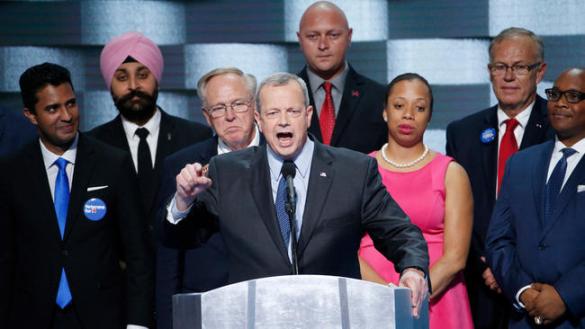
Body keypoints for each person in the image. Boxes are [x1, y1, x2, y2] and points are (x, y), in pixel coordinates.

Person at [160, 72, 429, 317]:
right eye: (274, 113)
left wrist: (413, 269)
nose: (284, 121)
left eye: (293, 111)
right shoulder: (227, 172)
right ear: (259, 119)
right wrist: (183, 201)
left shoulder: (354, 171)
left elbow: (400, 232)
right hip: (254, 319)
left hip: (333, 317)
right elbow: (182, 238)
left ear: (308, 115)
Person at [0, 63, 152, 329]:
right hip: (31, 318)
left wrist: (138, 323)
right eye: (52, 108)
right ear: (30, 115)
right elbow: (5, 258)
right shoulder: (11, 172)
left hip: (103, 317)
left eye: (70, 104)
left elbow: (138, 252)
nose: (67, 115)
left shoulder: (112, 163)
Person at [446, 27, 554, 329]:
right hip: (479, 284)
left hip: (541, 287)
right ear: (489, 71)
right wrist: (490, 262)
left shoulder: (560, 130)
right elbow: (460, 212)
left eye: (519, 67)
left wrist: (510, 269)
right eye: (499, 67)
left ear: (539, 71)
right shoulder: (462, 133)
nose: (508, 76)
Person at [359, 73, 474, 328]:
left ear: (429, 115)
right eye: (399, 105)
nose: (408, 114)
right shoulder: (359, 169)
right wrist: (386, 299)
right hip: (371, 298)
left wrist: (413, 299)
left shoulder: (451, 172)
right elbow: (346, 247)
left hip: (437, 300)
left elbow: (456, 256)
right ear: (385, 112)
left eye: (419, 107)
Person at [155, 67, 261, 329]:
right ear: (206, 116)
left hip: (271, 302)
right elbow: (168, 255)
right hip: (209, 308)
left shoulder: (283, 154)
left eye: (238, 104)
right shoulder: (181, 165)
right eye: (218, 108)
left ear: (254, 106)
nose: (230, 116)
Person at [486, 68, 585, 328]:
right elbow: (498, 240)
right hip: (525, 318)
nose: (560, 103)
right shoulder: (520, 163)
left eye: (573, 96)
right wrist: (523, 290)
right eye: (555, 94)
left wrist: (565, 295)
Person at [88, 31, 211, 241]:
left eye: (143, 75)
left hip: (180, 262)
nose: (133, 86)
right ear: (110, 84)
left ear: (157, 78)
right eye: (122, 77)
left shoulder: (195, 136)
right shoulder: (92, 145)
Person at [296, 1, 387, 154]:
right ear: (300, 40)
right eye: (312, 36)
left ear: (349, 36)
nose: (323, 45)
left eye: (333, 35)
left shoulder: (380, 98)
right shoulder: (281, 98)